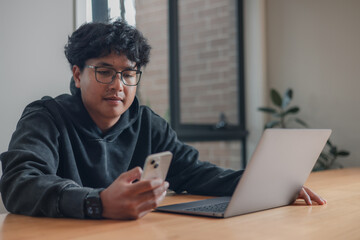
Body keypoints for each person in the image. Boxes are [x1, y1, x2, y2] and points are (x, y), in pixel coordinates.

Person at [0, 20, 326, 220]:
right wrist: (97, 203)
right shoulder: (46, 118)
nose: (118, 85)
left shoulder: (146, 123)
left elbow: (194, 172)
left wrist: (269, 185)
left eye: (129, 74)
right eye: (104, 72)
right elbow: (19, 185)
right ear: (77, 74)